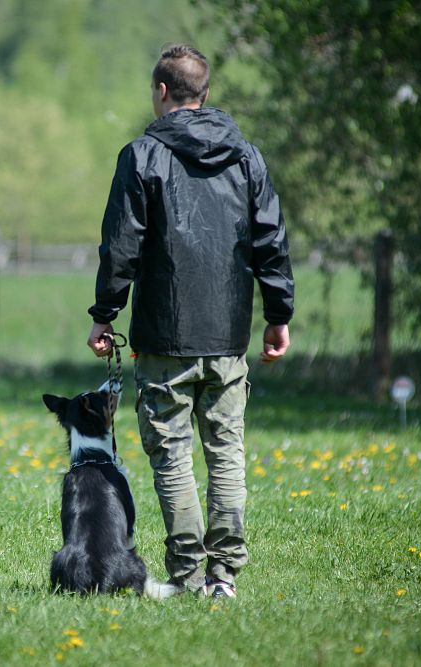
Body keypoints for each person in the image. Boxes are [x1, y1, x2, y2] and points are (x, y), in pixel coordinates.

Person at [86, 44, 294, 599]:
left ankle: (190, 575)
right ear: (204, 93)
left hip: (163, 335)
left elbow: (121, 246)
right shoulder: (246, 156)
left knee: (172, 454)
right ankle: (225, 575)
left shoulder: (141, 156)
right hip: (228, 335)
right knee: (226, 451)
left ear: (161, 91)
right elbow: (270, 240)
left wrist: (105, 314)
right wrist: (278, 316)